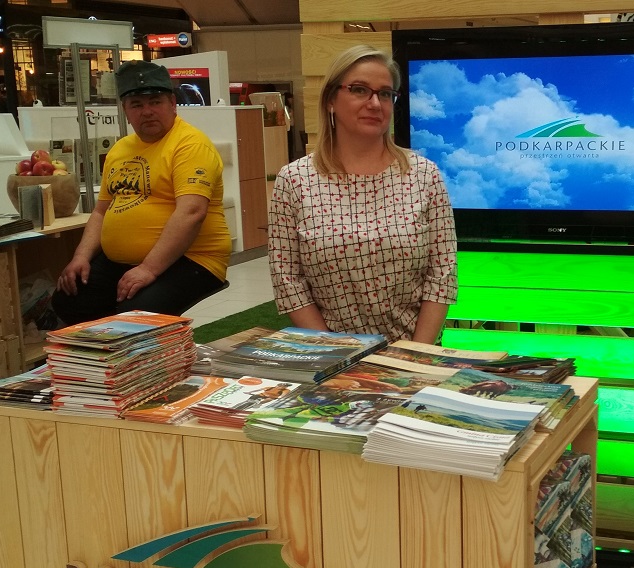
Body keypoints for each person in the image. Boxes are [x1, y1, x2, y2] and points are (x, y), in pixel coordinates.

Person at [267, 45, 457, 344]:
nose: (375, 103)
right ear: (331, 100)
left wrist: (414, 354)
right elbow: (288, 280)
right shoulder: (294, 180)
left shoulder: (424, 174)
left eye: (385, 94)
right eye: (359, 90)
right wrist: (336, 352)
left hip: (413, 350)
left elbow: (442, 275)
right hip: (330, 352)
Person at [52, 60, 230, 325]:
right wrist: (81, 257)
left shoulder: (190, 145)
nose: (147, 111)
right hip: (121, 262)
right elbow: (101, 212)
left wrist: (148, 269)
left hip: (193, 259)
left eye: (155, 102)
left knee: (137, 313)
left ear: (173, 103)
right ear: (125, 110)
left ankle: (144, 348)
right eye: (136, 104)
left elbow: (192, 212)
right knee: (68, 298)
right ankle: (107, 350)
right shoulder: (120, 149)